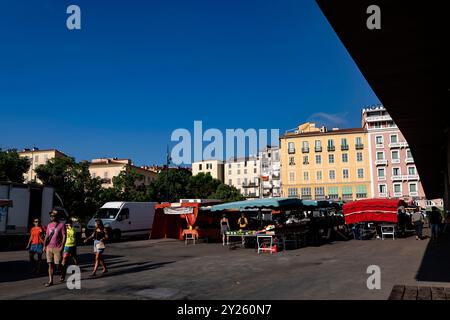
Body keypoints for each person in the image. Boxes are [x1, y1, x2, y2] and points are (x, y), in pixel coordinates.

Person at [43, 210, 66, 287]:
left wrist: (62, 246)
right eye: (51, 216)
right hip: (49, 247)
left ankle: (63, 272)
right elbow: (47, 236)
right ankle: (50, 281)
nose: (52, 217)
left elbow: (64, 236)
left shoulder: (61, 225)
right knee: (50, 264)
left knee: (58, 264)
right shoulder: (49, 225)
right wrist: (44, 246)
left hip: (57, 248)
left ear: (57, 217)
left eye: (53, 216)